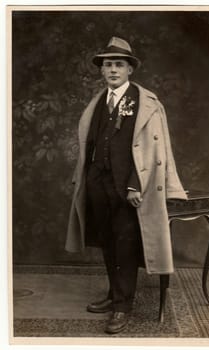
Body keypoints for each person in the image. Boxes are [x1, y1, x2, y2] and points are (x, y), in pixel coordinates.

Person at [65, 36, 187, 334]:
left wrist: (136, 186)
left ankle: (123, 306)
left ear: (130, 69)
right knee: (107, 240)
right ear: (102, 70)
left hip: (128, 188)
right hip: (97, 182)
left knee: (125, 244)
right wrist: (85, 177)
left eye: (119, 64)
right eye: (108, 65)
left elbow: (153, 152)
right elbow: (90, 144)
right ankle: (113, 294)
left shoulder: (146, 103)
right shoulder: (98, 102)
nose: (113, 70)